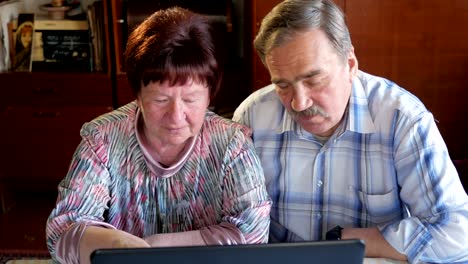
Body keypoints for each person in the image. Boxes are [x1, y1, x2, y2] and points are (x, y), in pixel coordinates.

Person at [232, 0, 468, 263]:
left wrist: (343, 241)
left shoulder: (402, 119)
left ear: (351, 63)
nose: (299, 103)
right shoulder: (252, 116)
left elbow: (458, 235)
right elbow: (236, 225)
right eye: (283, 85)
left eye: (313, 79)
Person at [46, 7, 271, 264]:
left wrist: (155, 247)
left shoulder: (232, 144)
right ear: (137, 95)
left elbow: (252, 234)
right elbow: (62, 232)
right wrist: (120, 246)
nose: (176, 116)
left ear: (210, 94)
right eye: (161, 100)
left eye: (190, 99)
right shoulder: (103, 139)